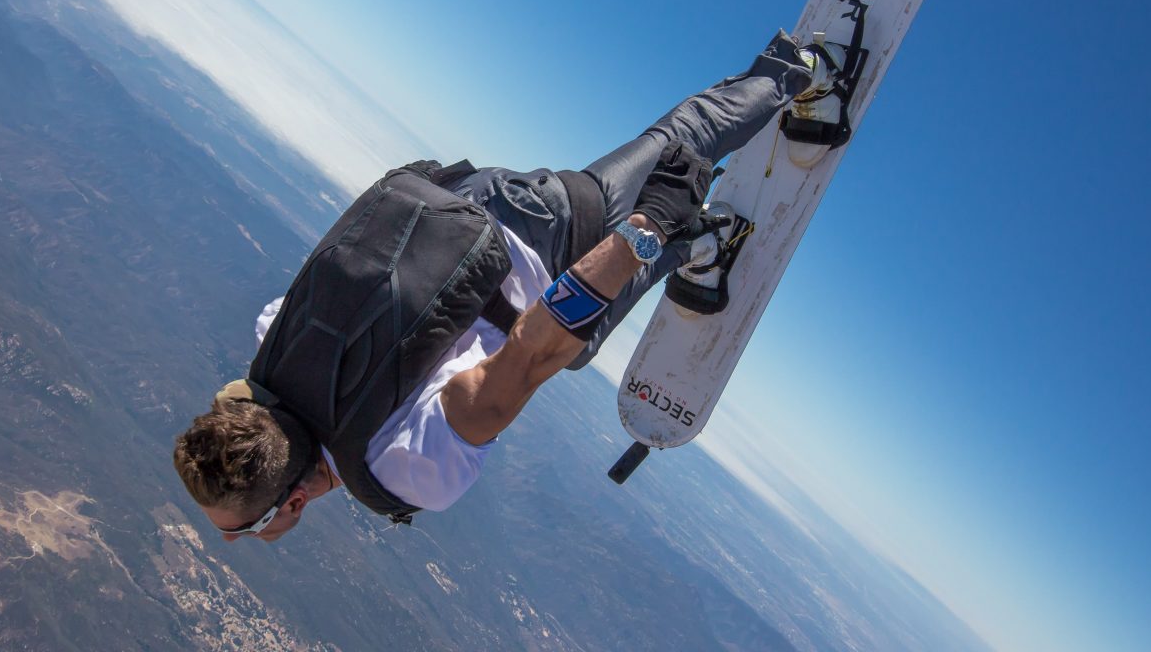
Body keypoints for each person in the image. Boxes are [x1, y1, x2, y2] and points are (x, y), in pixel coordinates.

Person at [173, 31, 822, 542]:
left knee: (674, 160)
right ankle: (711, 222)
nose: (245, 541)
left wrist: (650, 226)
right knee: (597, 309)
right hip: (470, 197)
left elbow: (536, 348)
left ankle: (796, 79)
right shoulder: (273, 344)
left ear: (290, 503)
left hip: (552, 237)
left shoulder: (404, 466)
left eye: (250, 530)